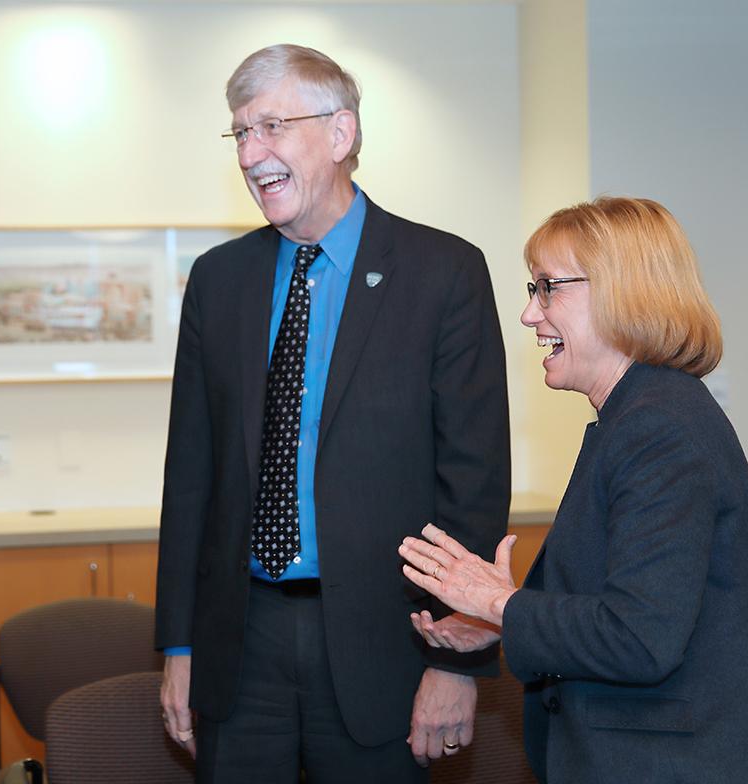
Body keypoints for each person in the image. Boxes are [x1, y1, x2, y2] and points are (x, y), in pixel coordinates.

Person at [155, 44, 510, 782]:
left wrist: (459, 659)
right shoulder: (219, 282)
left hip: (389, 647)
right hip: (238, 647)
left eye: (272, 126)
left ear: (342, 133)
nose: (253, 154)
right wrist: (179, 648)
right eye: (241, 133)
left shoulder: (443, 273)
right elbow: (191, 478)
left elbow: (473, 482)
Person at [399, 196, 748, 783]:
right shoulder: (635, 416)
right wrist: (498, 625)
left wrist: (497, 602)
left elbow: (640, 639)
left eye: (548, 288)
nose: (529, 315)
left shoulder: (658, 428)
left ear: (625, 291)